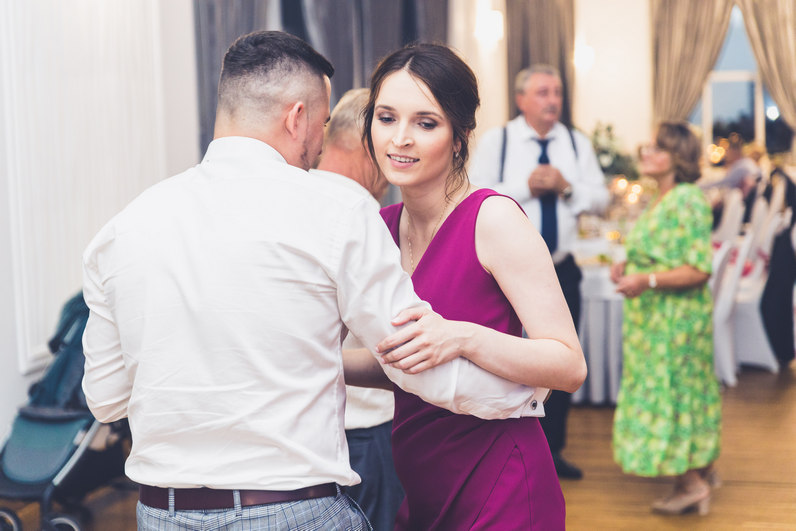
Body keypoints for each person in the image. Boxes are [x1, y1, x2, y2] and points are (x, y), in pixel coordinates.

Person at [81, 31, 550, 531]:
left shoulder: (120, 231)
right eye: (325, 123)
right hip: (291, 509)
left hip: (162, 514)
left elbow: (105, 399)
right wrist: (522, 397)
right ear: (297, 118)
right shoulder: (339, 210)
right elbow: (419, 365)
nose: (323, 142)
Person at [358, 43, 587, 530]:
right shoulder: (380, 228)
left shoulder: (492, 218)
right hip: (422, 483)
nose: (400, 138)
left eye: (426, 123)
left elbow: (569, 366)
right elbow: (402, 361)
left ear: (460, 137)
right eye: (386, 117)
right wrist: (312, 364)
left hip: (502, 484)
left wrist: (462, 337)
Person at [468, 64, 609, 479]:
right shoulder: (499, 141)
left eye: (557, 93)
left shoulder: (576, 143)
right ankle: (501, 448)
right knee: (505, 355)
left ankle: (552, 450)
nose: (552, 101)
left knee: (560, 359)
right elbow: (473, 194)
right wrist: (525, 187)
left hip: (562, 269)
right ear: (521, 100)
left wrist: (566, 187)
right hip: (503, 275)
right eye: (543, 92)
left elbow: (601, 200)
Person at [610, 122, 721, 516]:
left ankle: (691, 485)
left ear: (678, 156)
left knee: (672, 397)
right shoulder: (663, 197)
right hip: (657, 320)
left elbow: (699, 268)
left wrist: (647, 279)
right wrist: (630, 265)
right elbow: (663, 253)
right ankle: (702, 470)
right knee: (685, 395)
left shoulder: (686, 199)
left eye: (657, 148)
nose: (646, 152)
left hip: (674, 322)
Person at [311, 88, 403, 530]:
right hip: (365, 428)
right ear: (371, 146)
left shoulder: (287, 201)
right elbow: (395, 340)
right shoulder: (362, 215)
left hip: (304, 436)